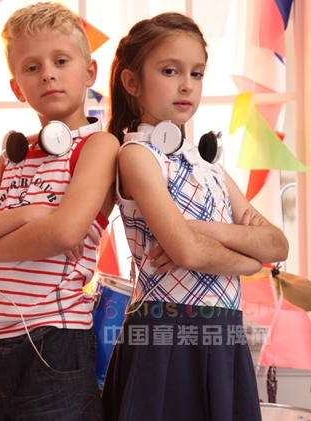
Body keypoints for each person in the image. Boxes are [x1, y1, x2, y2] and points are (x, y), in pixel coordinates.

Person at [101, 12, 289, 421]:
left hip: (223, 332)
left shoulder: (210, 166)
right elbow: (188, 253)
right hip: (164, 332)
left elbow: (278, 245)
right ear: (132, 82)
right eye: (170, 71)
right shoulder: (137, 155)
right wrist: (249, 261)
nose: (187, 84)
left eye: (197, 73)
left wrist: (200, 230)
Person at [0, 2, 119, 420]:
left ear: (89, 72)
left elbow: (63, 234)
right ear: (17, 87)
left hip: (53, 345)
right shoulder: (12, 157)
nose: (48, 74)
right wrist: (29, 214)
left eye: (61, 61)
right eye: (32, 67)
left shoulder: (98, 147)